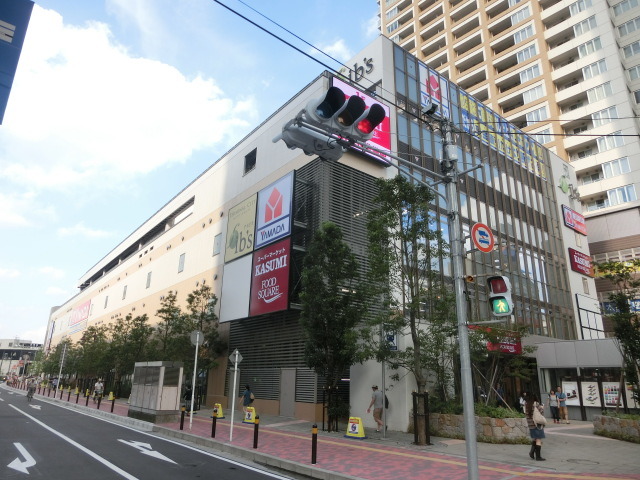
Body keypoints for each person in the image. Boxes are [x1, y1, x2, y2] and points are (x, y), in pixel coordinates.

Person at [525, 393, 546, 461]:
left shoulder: (526, 405)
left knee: (535, 439)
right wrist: (542, 408)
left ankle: (531, 452)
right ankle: (538, 457)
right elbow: (542, 412)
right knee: (538, 440)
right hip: (537, 425)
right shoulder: (536, 404)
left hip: (531, 425)